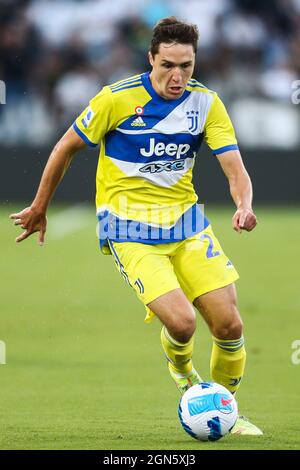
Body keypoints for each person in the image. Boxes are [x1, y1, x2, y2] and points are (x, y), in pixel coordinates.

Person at [10, 17, 262, 436]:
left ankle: (224, 409)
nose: (177, 76)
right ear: (151, 58)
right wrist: (39, 206)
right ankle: (186, 380)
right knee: (182, 324)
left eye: (187, 65)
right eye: (168, 65)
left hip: (187, 224)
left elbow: (234, 168)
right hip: (129, 230)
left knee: (230, 326)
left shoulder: (207, 103)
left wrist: (244, 205)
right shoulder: (116, 99)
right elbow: (65, 147)